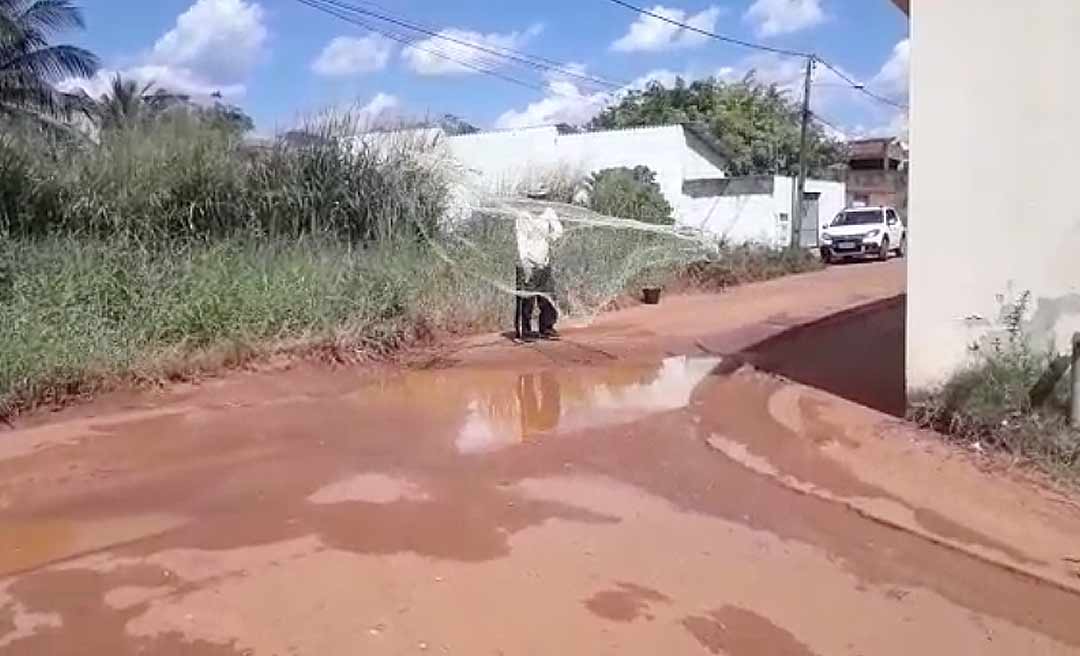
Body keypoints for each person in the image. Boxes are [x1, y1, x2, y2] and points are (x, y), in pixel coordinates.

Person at [514, 186, 565, 341]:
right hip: (527, 263)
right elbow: (521, 240)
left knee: (548, 297)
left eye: (541, 198)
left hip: (544, 262)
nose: (539, 202)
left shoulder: (548, 212)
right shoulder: (523, 216)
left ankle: (546, 328)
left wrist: (551, 236)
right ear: (530, 199)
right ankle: (525, 332)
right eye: (535, 198)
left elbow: (559, 230)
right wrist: (525, 262)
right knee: (526, 299)